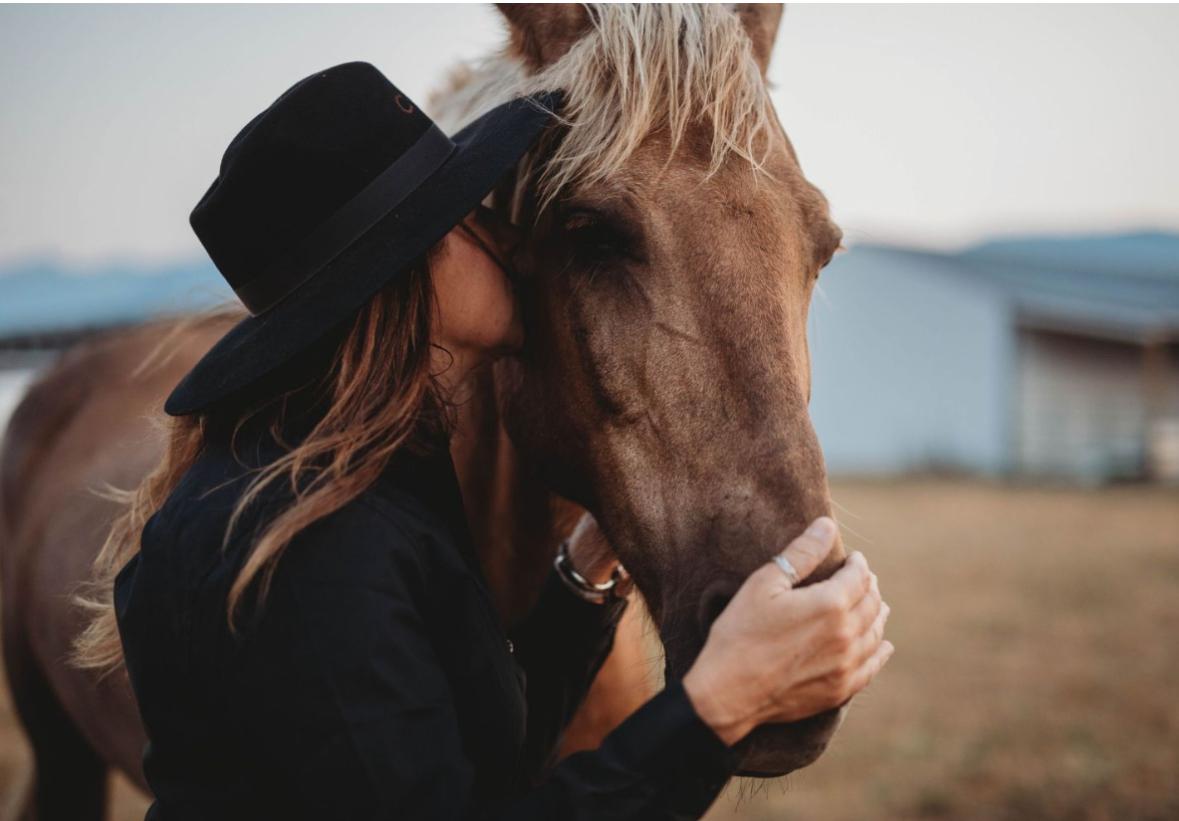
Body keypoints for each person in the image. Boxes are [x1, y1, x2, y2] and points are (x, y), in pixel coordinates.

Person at [76, 62, 892, 820]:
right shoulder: (316, 547)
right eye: (470, 213)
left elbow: (451, 756)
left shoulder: (357, 478)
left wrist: (580, 578)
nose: (509, 242)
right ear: (406, 267)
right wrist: (713, 709)